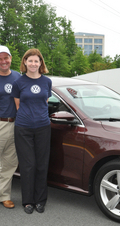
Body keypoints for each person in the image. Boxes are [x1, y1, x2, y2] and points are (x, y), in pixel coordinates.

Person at [11, 48, 52, 214]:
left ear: (41, 63)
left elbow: (45, 102)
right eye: (30, 61)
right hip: (23, 128)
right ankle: (28, 201)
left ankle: (40, 201)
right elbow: (18, 106)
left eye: (36, 61)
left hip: (43, 127)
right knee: (28, 166)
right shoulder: (18, 83)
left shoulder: (47, 82)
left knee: (42, 165)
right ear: (25, 62)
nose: (33, 64)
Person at [0, 45, 21, 209]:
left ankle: (4, 196)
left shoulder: (17, 76)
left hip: (15, 124)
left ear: (11, 59)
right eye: (0, 59)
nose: (3, 61)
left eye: (5, 58)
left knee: (9, 163)